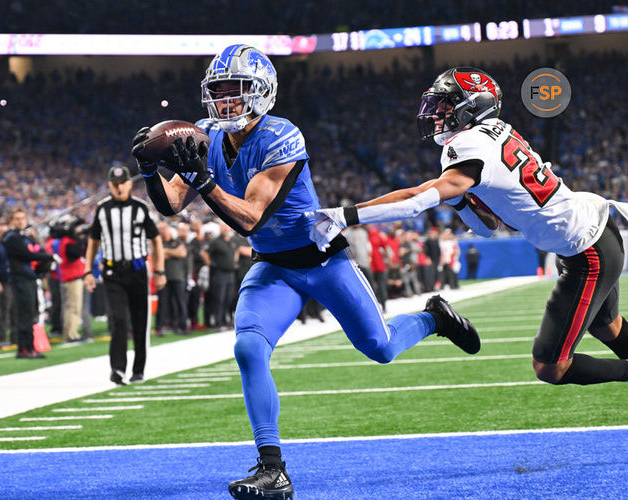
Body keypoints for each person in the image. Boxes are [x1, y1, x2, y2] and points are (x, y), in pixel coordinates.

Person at [132, 45, 479, 499]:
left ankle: (434, 318)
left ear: (261, 93)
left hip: (322, 259)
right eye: (218, 92)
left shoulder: (281, 136)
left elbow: (250, 217)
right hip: (273, 266)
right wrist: (148, 169)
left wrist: (204, 180)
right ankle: (272, 468)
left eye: (234, 92)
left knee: (380, 348)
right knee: (249, 349)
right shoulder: (206, 137)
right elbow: (172, 205)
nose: (225, 102)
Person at [310, 66, 628, 389]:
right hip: (593, 233)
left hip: (588, 250)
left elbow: (417, 200)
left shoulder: (468, 146)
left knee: (550, 367)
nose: (436, 116)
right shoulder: (495, 132)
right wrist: (460, 200)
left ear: (472, 108)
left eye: (445, 106)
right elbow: (488, 227)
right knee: (607, 327)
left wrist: (345, 215)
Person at [84, 165, 166, 385]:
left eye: (123, 183)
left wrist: (159, 270)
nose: (119, 187)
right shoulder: (102, 209)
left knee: (140, 322)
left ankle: (138, 370)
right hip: (112, 271)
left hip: (138, 270)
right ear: (110, 185)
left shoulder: (141, 208)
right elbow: (93, 242)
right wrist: (87, 272)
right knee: (118, 320)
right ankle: (118, 369)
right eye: (115, 184)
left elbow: (156, 241)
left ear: (130, 184)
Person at [2, 207, 53, 359]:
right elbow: (28, 255)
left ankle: (30, 347)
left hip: (30, 278)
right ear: (12, 221)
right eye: (17, 218)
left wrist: (36, 238)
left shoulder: (25, 236)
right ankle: (24, 348)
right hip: (20, 278)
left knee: (30, 313)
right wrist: (48, 257)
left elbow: (40, 250)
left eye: (22, 218)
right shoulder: (11, 237)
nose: (20, 221)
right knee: (25, 314)